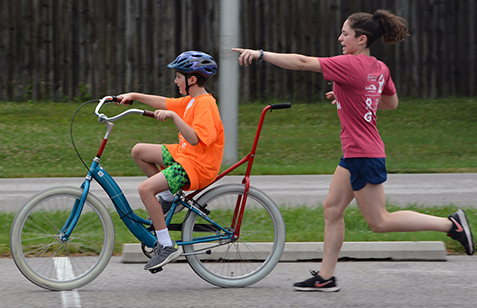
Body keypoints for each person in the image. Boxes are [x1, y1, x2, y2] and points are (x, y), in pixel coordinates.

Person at [233, 9, 474, 292]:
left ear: (361, 39)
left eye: (345, 34)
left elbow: (300, 62)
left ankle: (451, 225)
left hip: (363, 153)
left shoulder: (349, 64)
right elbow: (390, 103)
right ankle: (326, 277)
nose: (340, 38)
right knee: (332, 209)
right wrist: (348, 95)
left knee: (379, 221)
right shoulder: (379, 67)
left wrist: (261, 54)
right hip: (357, 152)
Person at [118, 51, 224, 271]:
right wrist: (134, 95)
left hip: (197, 167)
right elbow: (164, 102)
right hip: (185, 156)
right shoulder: (191, 101)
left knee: (146, 190)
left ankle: (166, 245)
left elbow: (195, 139)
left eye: (178, 76)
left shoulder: (205, 105)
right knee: (139, 151)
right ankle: (167, 197)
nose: (175, 81)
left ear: (192, 79)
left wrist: (174, 118)